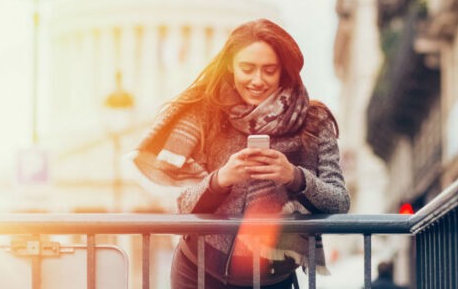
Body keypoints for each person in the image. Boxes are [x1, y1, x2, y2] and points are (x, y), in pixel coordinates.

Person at [133, 19, 351, 288]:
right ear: (230, 67)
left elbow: (339, 202)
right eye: (247, 69)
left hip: (272, 278)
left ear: (284, 71)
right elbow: (182, 207)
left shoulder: (315, 121)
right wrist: (220, 180)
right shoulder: (205, 116)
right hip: (198, 270)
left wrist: (294, 177)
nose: (257, 80)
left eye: (269, 70)